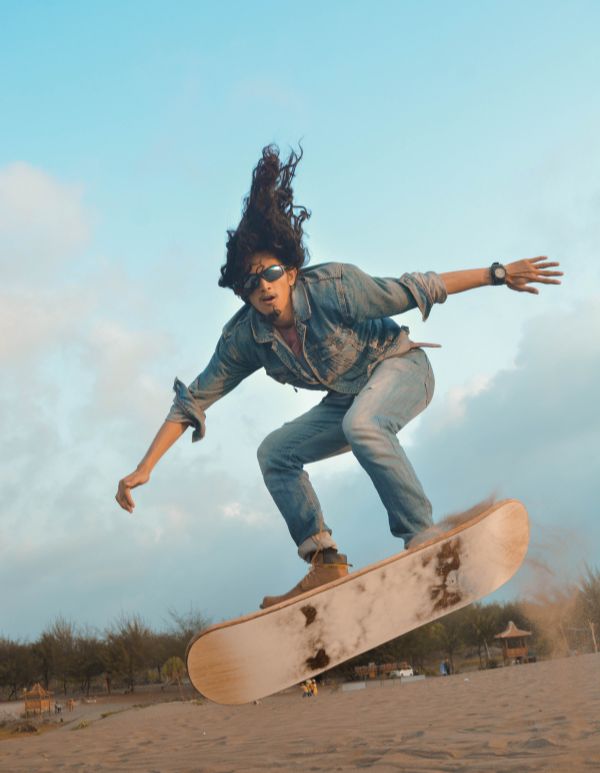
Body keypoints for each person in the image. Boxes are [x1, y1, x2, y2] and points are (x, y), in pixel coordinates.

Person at [115, 145, 562, 609]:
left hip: (401, 367)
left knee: (362, 425)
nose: (263, 287)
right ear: (243, 293)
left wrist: (497, 273)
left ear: (290, 273)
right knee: (275, 453)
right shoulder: (244, 339)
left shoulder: (334, 289)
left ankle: (423, 538)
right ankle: (324, 561)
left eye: (271, 274)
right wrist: (145, 468)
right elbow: (193, 400)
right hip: (347, 397)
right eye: (251, 283)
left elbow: (414, 288)